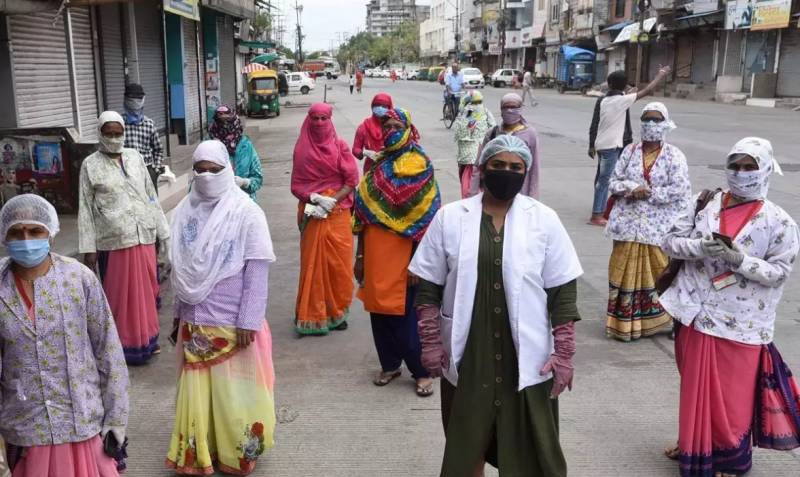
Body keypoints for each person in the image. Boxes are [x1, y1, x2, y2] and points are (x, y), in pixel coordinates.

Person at [409, 135, 583, 476]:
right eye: (498, 165)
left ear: (526, 171)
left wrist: (564, 354)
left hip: (528, 355)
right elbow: (428, 286)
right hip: (468, 353)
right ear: (482, 169)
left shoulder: (544, 220)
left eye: (516, 167)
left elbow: (563, 290)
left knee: (531, 451)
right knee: (466, 445)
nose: (507, 172)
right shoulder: (450, 218)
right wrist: (430, 342)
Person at [659, 137, 800, 476]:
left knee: (731, 396)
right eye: (734, 166)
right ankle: (694, 443)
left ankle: (728, 459)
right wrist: (700, 248)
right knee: (695, 388)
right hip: (694, 313)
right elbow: (669, 242)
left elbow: (779, 273)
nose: (740, 173)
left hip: (741, 324)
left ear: (764, 170)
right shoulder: (704, 203)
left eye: (749, 167)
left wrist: (739, 260)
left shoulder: (779, 221)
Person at [166, 140, 276, 475]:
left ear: (228, 169)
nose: (208, 176)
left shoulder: (247, 213)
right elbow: (180, 270)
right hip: (195, 321)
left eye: (215, 170)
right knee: (200, 391)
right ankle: (202, 451)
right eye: (200, 170)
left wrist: (248, 320)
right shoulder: (184, 212)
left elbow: (257, 271)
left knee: (235, 393)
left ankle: (238, 452)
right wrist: (177, 317)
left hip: (233, 321)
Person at [0, 194, 129, 476]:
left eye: (35, 231)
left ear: (51, 234)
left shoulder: (79, 279)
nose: (26, 239)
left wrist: (116, 417)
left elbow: (108, 349)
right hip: (25, 430)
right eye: (16, 232)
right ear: (4, 237)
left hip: (79, 423)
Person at [353, 107, 441, 398]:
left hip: (406, 255)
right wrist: (361, 256)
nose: (389, 131)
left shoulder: (418, 163)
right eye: (385, 126)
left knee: (407, 316)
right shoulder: (379, 164)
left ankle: (421, 370)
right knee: (378, 313)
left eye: (394, 125)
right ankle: (390, 365)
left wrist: (420, 262)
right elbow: (364, 216)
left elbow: (427, 217)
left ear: (407, 127)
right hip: (376, 255)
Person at [79, 111, 170, 364]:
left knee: (147, 294)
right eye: (108, 134)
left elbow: (151, 194)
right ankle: (121, 346)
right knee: (119, 297)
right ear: (100, 134)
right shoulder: (90, 165)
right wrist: (89, 247)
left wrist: (162, 231)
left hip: (143, 235)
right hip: (113, 240)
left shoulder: (135, 157)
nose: (114, 138)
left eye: (118, 133)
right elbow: (85, 207)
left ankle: (149, 341)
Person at [604, 102, 691, 342]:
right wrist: (632, 189)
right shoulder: (630, 151)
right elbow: (613, 182)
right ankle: (625, 323)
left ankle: (666, 320)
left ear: (665, 124)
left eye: (656, 120)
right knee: (621, 271)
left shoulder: (674, 156)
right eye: (647, 119)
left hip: (657, 227)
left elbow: (680, 189)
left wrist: (650, 193)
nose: (651, 125)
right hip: (628, 226)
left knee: (661, 273)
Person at [291, 103, 359, 335]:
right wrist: (315, 197)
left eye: (323, 119)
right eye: (315, 118)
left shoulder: (340, 147)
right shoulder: (302, 149)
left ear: (330, 121)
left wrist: (333, 201)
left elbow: (351, 181)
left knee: (338, 266)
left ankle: (337, 313)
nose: (319, 123)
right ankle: (312, 315)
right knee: (313, 264)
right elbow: (296, 185)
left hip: (338, 214)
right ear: (309, 120)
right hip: (312, 212)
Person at [587, 66, 672, 226]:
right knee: (605, 180)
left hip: (603, 144)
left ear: (610, 85)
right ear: (624, 86)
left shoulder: (605, 100)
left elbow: (621, 99)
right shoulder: (621, 100)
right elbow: (648, 90)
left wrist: (628, 93)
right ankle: (596, 215)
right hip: (611, 146)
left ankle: (603, 210)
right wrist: (660, 75)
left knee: (604, 178)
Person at [466, 93, 540, 199]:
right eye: (506, 107)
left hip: (520, 192)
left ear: (520, 109)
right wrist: (472, 195)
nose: (509, 110)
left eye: (513, 107)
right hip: (492, 192)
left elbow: (534, 169)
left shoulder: (530, 134)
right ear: (501, 110)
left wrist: (533, 198)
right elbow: (479, 165)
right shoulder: (492, 133)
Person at [208, 105, 263, 200]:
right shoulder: (208, 147)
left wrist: (245, 182)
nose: (225, 126)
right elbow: (197, 182)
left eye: (228, 120)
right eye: (220, 120)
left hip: (244, 204)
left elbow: (258, 179)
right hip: (216, 205)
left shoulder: (246, 146)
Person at [122, 83, 165, 190]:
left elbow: (158, 149)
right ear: (125, 100)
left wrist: (156, 168)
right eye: (131, 99)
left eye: (138, 99)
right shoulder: (119, 124)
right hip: (126, 171)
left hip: (147, 169)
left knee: (151, 203)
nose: (135, 103)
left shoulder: (149, 124)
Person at [453, 90, 496, 188]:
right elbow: (494, 128)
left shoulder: (462, 114)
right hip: (476, 157)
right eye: (475, 103)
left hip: (467, 159)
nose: (477, 106)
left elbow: (457, 134)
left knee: (467, 185)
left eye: (479, 103)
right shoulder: (484, 112)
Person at [352, 93, 394, 173]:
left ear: (390, 108)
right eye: (377, 105)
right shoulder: (364, 127)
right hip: (370, 169)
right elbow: (355, 149)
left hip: (391, 169)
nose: (380, 108)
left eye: (384, 106)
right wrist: (365, 152)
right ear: (372, 106)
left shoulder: (394, 126)